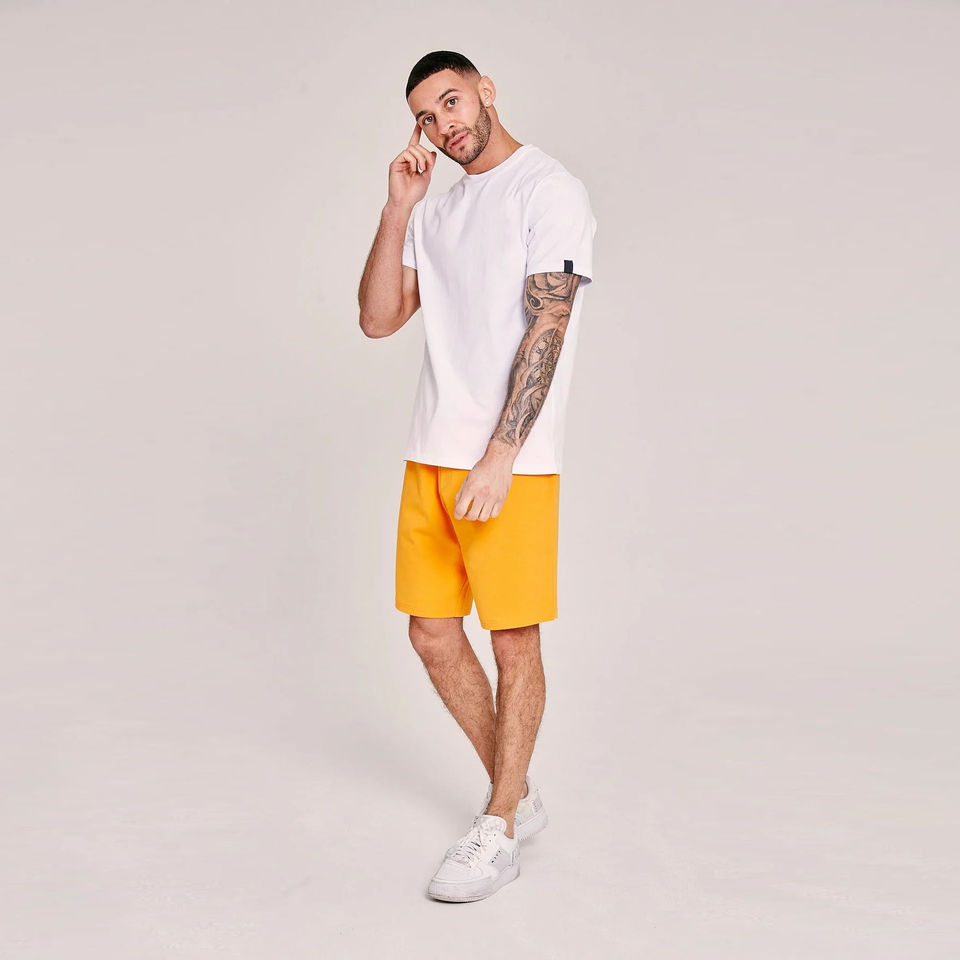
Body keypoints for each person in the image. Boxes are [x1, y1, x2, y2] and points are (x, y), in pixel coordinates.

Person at [356, 50, 597, 902]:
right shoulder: (438, 209)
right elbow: (378, 318)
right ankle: (517, 791)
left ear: (486, 91)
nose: (443, 125)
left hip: (510, 460)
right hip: (432, 450)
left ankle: (497, 827)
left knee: (513, 640)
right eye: (426, 117)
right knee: (430, 632)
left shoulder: (549, 190)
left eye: (452, 102)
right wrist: (397, 209)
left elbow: (548, 324)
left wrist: (501, 453)